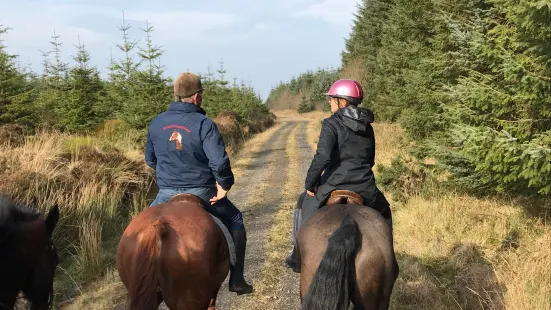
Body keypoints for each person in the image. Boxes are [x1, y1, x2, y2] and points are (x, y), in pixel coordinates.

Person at [144, 72, 253, 294]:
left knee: (143, 228)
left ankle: (148, 280)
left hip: (165, 192)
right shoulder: (204, 123)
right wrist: (224, 185)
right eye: (201, 94)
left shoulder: (156, 123)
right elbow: (219, 161)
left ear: (176, 95)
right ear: (196, 97)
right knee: (235, 219)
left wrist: (170, 174)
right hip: (202, 191)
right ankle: (237, 279)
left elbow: (150, 159)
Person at [285, 79, 393, 272]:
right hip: (364, 186)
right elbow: (370, 160)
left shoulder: (331, 123)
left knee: (303, 203)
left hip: (333, 184)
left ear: (342, 101)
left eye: (332, 99)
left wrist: (310, 184)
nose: (329, 102)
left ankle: (297, 255)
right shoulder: (368, 127)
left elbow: (323, 156)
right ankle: (389, 260)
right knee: (385, 212)